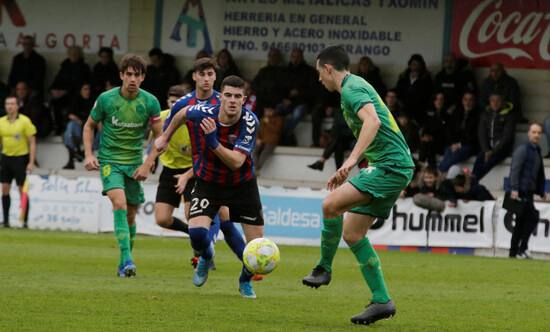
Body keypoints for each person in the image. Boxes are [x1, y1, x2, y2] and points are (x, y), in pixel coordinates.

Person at [302, 46, 414, 325]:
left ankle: (323, 268)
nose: (319, 80)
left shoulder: (351, 90)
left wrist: (351, 161)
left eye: (319, 73)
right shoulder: (355, 86)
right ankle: (381, 300)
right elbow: (375, 127)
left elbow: (373, 122)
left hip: (390, 166)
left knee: (329, 205)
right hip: (393, 165)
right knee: (352, 233)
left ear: (328, 69)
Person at [156, 75, 264, 299]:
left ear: (244, 99)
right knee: (196, 234)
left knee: (257, 250)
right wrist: (165, 136)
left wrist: (213, 141)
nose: (232, 100)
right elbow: (183, 113)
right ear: (220, 97)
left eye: (237, 96)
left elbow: (236, 162)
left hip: (241, 185)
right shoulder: (205, 111)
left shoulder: (250, 121)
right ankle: (206, 255)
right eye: (228, 95)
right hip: (208, 182)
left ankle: (244, 281)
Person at [83, 54, 162, 278]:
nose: (132, 79)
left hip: (135, 163)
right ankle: (128, 259)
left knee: (131, 214)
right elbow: (89, 126)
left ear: (143, 77)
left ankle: (122, 262)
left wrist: (148, 163)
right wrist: (89, 154)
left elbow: (160, 138)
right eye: (128, 74)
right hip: (109, 162)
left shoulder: (150, 102)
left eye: (137, 75)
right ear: (121, 75)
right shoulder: (106, 99)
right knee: (119, 203)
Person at [506, 123, 546, 259]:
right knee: (533, 217)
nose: (536, 135)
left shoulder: (537, 150)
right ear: (528, 133)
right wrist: (514, 188)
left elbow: (539, 173)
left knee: (521, 223)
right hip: (521, 192)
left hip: (528, 191)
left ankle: (514, 252)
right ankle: (521, 249)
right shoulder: (523, 150)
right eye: (534, 132)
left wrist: (541, 191)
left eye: (539, 133)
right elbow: (515, 170)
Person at [0, 95, 37, 228]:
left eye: (12, 104)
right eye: (7, 104)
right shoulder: (1, 122)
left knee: (22, 190)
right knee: (5, 188)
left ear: (17, 106)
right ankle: (6, 221)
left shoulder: (25, 121)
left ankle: (25, 221)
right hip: (6, 158)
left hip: (20, 158)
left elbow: (32, 142)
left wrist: (31, 162)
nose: (9, 106)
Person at [277, 48, 319, 146]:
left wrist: (299, 92)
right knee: (276, 110)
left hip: (302, 102)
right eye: (293, 56)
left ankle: (282, 136)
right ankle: (286, 136)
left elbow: (313, 91)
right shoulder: (285, 71)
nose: (295, 59)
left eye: (297, 57)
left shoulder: (309, 71)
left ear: (302, 57)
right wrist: (284, 99)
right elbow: (279, 88)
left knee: (297, 114)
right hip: (287, 102)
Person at [473, 93, 516, 181]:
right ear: (489, 102)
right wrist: (486, 150)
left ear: (502, 102)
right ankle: (472, 179)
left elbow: (506, 137)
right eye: (492, 101)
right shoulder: (485, 115)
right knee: (479, 159)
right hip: (487, 148)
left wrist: (493, 151)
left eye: (498, 101)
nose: (495, 103)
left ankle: (474, 181)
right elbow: (482, 133)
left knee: (490, 162)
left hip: (502, 149)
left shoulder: (509, 116)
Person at [50, 46, 92, 135]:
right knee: (54, 102)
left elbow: (86, 84)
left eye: (75, 54)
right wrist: (55, 90)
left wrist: (68, 90)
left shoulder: (84, 67)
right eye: (71, 54)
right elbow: (57, 81)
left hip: (77, 94)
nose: (73, 55)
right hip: (64, 95)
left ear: (79, 55)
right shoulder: (65, 66)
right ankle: (59, 128)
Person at [438, 91, 480, 173]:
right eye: (466, 100)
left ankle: (439, 171)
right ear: (462, 101)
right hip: (454, 144)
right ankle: (440, 173)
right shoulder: (457, 113)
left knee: (452, 159)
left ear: (474, 102)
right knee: (448, 153)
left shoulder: (478, 115)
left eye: (470, 100)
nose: (468, 102)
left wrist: (459, 144)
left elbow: (474, 135)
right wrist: (453, 143)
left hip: (469, 145)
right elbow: (450, 130)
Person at [62, 83, 95, 169]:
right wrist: (78, 120)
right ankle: (77, 150)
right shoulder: (76, 101)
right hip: (79, 127)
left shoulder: (93, 101)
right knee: (71, 126)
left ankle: (76, 153)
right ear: (80, 91)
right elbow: (69, 114)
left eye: (88, 89)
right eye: (85, 89)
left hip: (91, 128)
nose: (87, 91)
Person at [395, 54, 433, 124]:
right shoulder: (403, 77)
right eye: (414, 64)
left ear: (422, 66)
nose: (415, 67)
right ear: (410, 65)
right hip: (404, 109)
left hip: (419, 110)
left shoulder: (426, 78)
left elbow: (428, 95)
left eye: (418, 65)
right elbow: (398, 91)